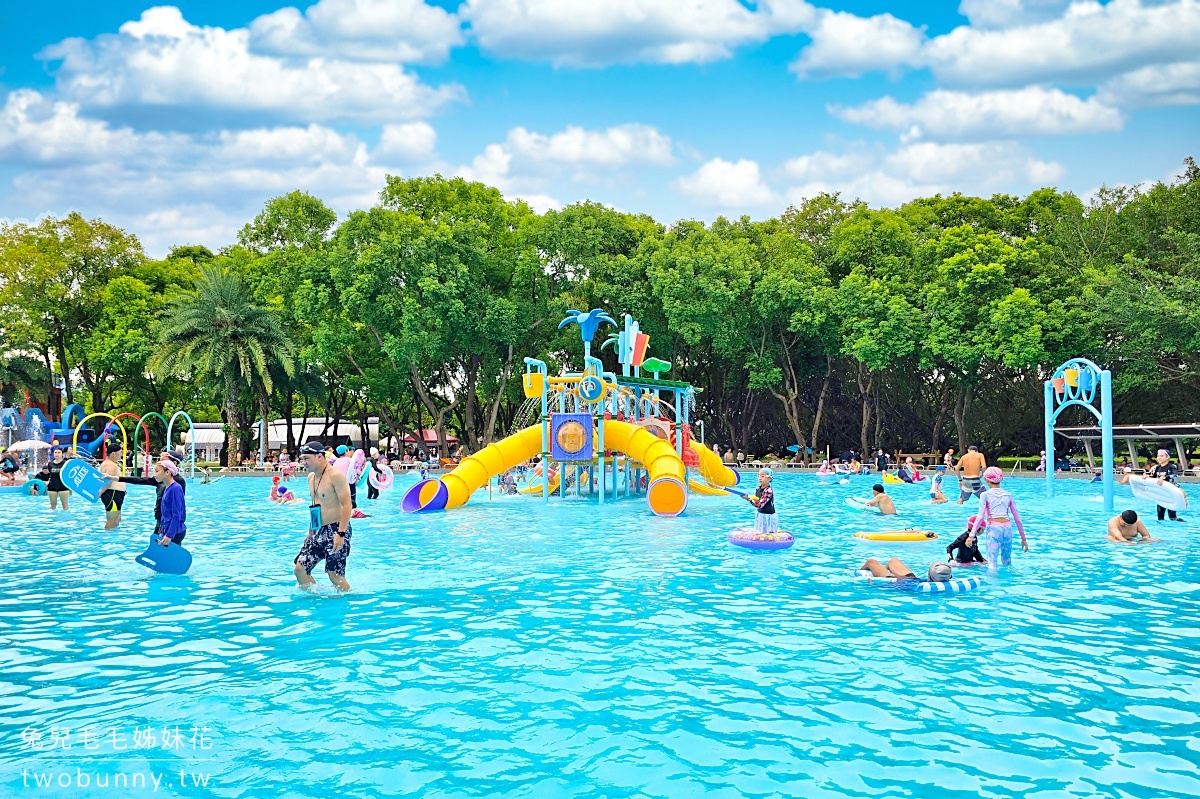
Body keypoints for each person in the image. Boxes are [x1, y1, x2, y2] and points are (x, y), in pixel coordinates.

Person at [294, 439, 352, 592]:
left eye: (307, 458)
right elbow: (316, 505)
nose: (304, 462)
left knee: (334, 575)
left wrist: (341, 533)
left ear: (320, 456)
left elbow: (347, 505)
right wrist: (310, 531)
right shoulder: (311, 477)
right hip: (318, 529)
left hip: (336, 528)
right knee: (300, 569)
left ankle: (347, 600)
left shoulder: (335, 475)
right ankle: (313, 601)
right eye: (302, 459)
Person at [969, 467, 1028, 574]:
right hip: (1007, 528)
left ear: (986, 480)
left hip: (994, 529)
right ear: (1001, 479)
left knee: (992, 562)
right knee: (1007, 561)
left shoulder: (985, 495)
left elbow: (980, 517)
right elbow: (1017, 519)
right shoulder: (1009, 495)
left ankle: (993, 587)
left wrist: (971, 535)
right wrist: (1023, 538)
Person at [123, 450, 188, 539]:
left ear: (173, 463)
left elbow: (177, 511)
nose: (160, 462)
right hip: (162, 522)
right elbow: (140, 480)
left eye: (163, 460)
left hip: (171, 525)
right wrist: (117, 478)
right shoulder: (160, 480)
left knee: (164, 549)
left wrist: (169, 535)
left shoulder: (177, 484)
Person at [155, 459, 187, 547]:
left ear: (167, 472)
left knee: (170, 559)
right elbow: (165, 513)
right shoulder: (167, 488)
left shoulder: (175, 488)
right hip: (168, 529)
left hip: (175, 532)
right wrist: (162, 532)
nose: (155, 475)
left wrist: (169, 535)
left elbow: (177, 514)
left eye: (157, 471)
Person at [1147, 449, 1183, 522]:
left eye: (1161, 456)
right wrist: (1147, 477)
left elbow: (1175, 475)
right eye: (1158, 456)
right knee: (1160, 516)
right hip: (1161, 494)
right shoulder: (1157, 468)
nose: (1159, 458)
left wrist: (1165, 477)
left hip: (1171, 494)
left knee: (1172, 517)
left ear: (1167, 457)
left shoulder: (1171, 466)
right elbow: (1153, 478)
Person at [860, 558, 952, 586]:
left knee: (871, 562)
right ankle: (882, 571)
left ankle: (855, 572)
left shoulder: (924, 587)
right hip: (912, 580)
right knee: (893, 560)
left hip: (897, 581)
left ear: (929, 576)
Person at [98, 446, 127, 529]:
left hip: (114, 494)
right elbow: (108, 481)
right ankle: (107, 540)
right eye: (120, 452)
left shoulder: (109, 463)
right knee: (111, 521)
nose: (121, 454)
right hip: (112, 494)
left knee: (117, 519)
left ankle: (113, 539)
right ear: (113, 453)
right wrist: (101, 491)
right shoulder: (110, 465)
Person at [742, 468, 779, 532]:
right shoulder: (758, 488)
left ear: (769, 478)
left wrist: (748, 499)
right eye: (758, 476)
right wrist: (749, 497)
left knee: (768, 534)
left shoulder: (768, 491)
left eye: (762, 476)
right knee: (759, 532)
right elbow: (757, 500)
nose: (760, 478)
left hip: (768, 516)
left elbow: (759, 505)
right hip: (760, 514)